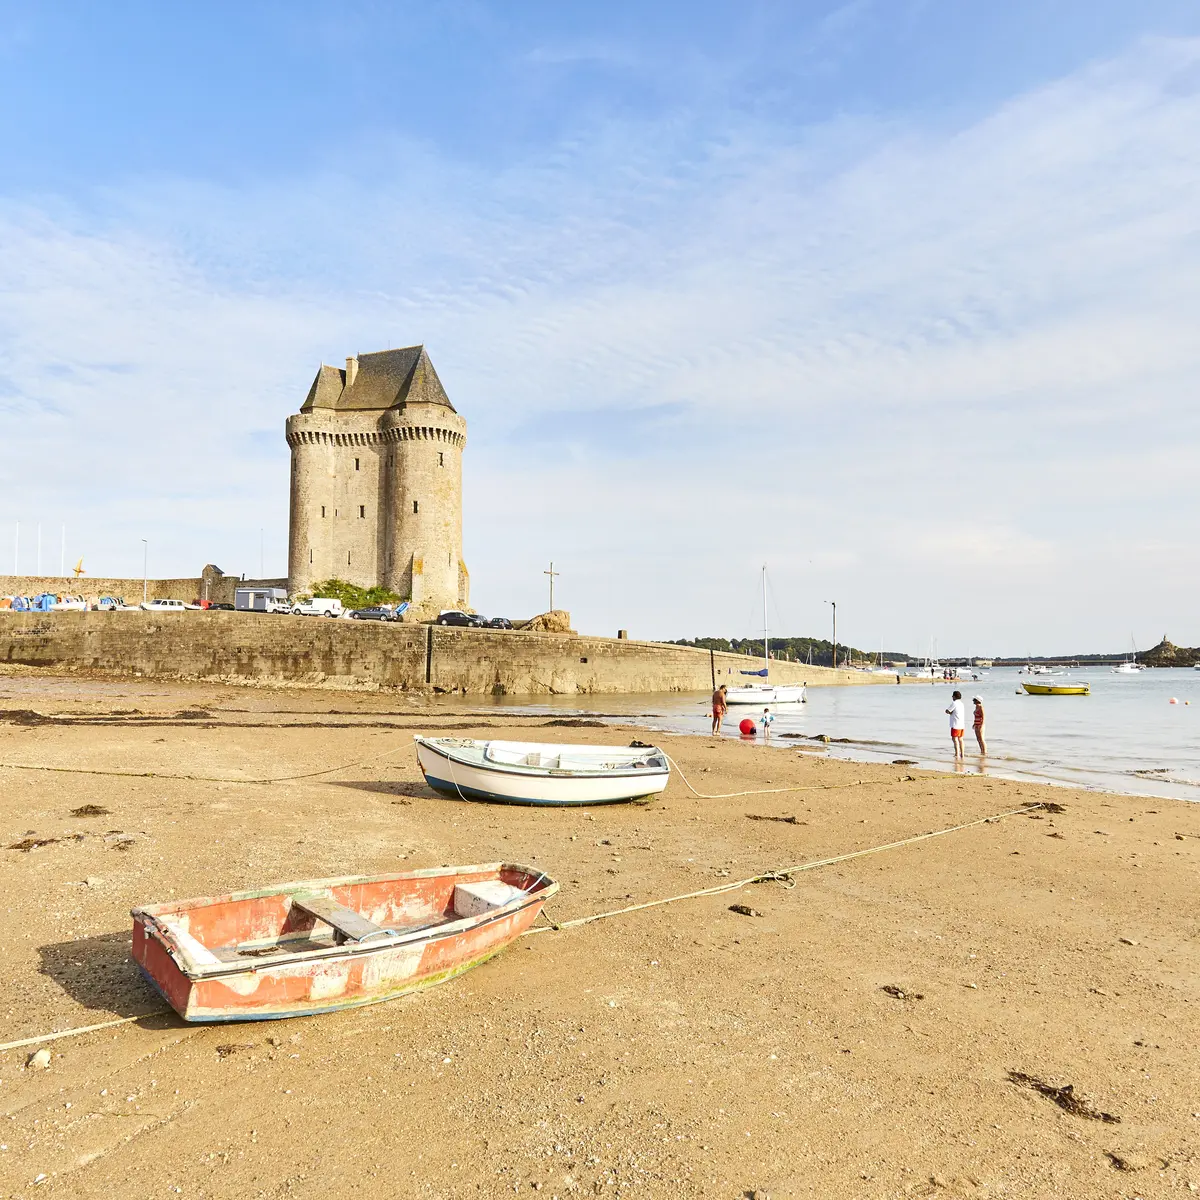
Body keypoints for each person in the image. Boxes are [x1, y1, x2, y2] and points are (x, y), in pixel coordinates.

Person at [945, 689, 966, 759]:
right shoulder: (961, 703)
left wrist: (949, 712)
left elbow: (948, 710)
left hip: (955, 724)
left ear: (954, 696)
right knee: (961, 739)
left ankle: (957, 753)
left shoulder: (954, 703)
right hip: (961, 724)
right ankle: (962, 754)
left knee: (955, 739)